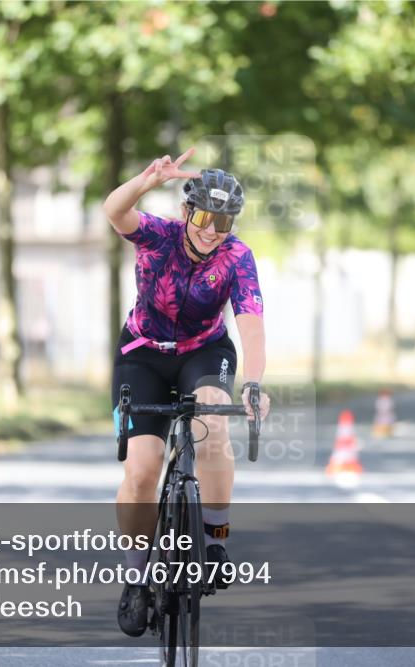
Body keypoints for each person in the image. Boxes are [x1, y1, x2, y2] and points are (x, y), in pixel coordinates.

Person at [103, 148, 271, 638]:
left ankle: (215, 540)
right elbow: (114, 210)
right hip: (142, 354)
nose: (211, 229)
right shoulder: (159, 235)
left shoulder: (237, 256)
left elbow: (252, 326)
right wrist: (145, 180)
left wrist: (254, 382)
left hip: (204, 351)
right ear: (186, 212)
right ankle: (136, 577)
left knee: (214, 421)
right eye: (203, 216)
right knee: (142, 470)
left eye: (223, 220)